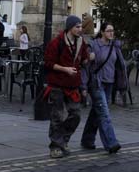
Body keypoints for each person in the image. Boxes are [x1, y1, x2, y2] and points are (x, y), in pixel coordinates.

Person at [44, 15, 92, 159]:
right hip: (57, 85)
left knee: (75, 115)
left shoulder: (80, 42)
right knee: (57, 116)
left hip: (72, 85)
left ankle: (63, 140)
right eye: (77, 27)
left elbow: (83, 60)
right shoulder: (56, 43)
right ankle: (55, 146)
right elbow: (48, 63)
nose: (80, 29)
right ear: (70, 28)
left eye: (81, 27)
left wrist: (88, 59)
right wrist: (65, 69)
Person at [80, 22, 124, 154]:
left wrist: (122, 83)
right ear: (103, 32)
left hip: (109, 83)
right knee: (104, 113)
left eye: (113, 31)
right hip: (96, 83)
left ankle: (87, 140)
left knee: (96, 111)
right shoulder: (94, 45)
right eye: (109, 31)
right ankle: (111, 143)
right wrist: (83, 86)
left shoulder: (114, 46)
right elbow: (85, 66)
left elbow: (119, 65)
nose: (111, 33)